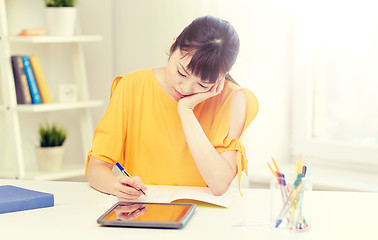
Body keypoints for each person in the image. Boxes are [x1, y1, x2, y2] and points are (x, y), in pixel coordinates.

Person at [86, 15, 259, 200]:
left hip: (204, 217)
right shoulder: (131, 86)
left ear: (221, 77)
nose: (185, 88)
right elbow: (96, 168)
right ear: (173, 45)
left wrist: (186, 111)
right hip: (143, 212)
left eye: (202, 85)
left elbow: (219, 184)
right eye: (181, 72)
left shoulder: (232, 99)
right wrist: (114, 185)